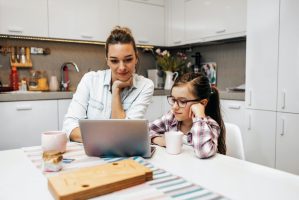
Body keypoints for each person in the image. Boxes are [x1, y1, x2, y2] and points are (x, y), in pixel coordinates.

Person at [63, 26, 154, 142]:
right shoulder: (90, 80)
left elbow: (124, 132)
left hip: (123, 153)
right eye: (114, 61)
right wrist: (106, 138)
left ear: (136, 58)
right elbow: (70, 127)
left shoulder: (145, 86)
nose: (122, 67)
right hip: (90, 152)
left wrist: (116, 89)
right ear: (107, 60)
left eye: (128, 59)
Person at [149, 72, 226, 158]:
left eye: (182, 101)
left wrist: (199, 116)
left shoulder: (211, 125)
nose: (174, 107)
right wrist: (158, 140)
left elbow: (203, 152)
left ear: (202, 103)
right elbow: (144, 131)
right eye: (173, 100)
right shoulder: (170, 118)